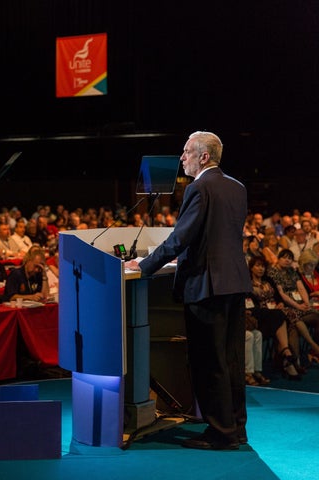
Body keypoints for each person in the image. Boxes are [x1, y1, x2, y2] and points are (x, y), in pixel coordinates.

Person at [126, 131, 251, 450]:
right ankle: (236, 428)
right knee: (231, 360)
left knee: (210, 362)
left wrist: (144, 265)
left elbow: (180, 239)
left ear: (204, 157)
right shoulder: (237, 187)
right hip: (234, 283)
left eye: (186, 152)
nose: (181, 158)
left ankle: (220, 433)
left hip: (207, 286)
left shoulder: (199, 187)